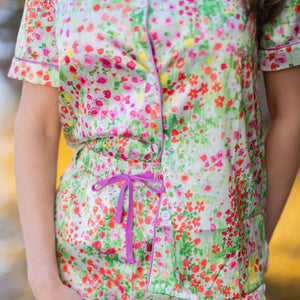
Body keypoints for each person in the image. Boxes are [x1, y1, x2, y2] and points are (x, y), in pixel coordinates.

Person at [7, 0, 300, 299]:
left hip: (219, 271)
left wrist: (251, 240)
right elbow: (38, 123)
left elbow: (290, 112)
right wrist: (44, 281)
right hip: (85, 270)